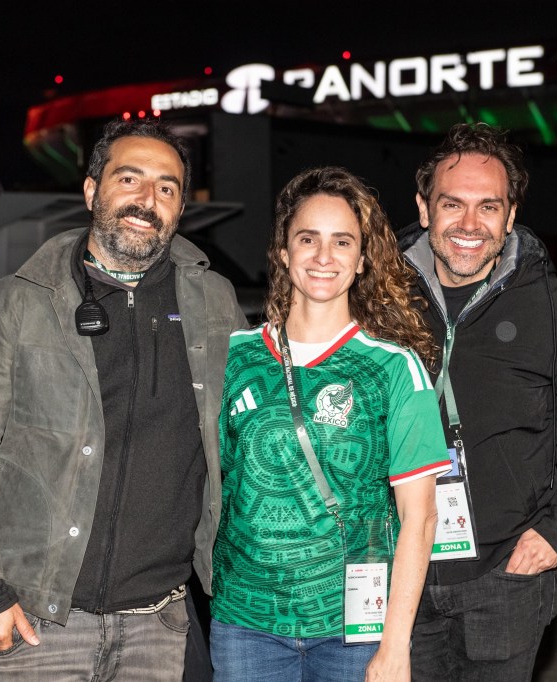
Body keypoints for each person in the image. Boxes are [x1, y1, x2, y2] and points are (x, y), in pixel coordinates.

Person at [0, 118, 245, 680]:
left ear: (180, 207)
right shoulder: (14, 305)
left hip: (160, 624)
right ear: (91, 190)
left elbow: (248, 439)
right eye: (129, 179)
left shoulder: (215, 302)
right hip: (37, 621)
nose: (147, 199)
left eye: (167, 187)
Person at [398, 122, 557, 680]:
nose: (470, 224)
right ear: (423, 208)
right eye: (452, 204)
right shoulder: (380, 300)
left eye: (489, 207)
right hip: (398, 577)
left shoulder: (554, 305)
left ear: (511, 215)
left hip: (503, 583)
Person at [210, 167, 452, 681]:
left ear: (362, 260)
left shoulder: (393, 368)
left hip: (354, 630)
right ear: (284, 251)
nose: (324, 256)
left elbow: (420, 518)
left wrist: (395, 644)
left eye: (342, 242)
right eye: (308, 239)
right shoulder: (234, 357)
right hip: (246, 623)